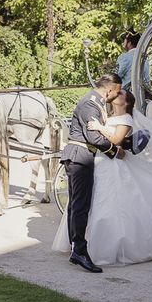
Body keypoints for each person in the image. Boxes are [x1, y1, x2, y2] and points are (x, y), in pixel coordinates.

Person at [53, 90, 152, 266]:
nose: (117, 93)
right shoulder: (106, 115)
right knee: (90, 203)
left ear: (126, 102)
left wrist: (100, 128)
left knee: (110, 204)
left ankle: (105, 249)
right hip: (100, 162)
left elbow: (116, 140)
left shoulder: (126, 119)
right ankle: (79, 244)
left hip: (112, 164)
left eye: (121, 93)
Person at [58, 73, 124, 273]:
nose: (118, 95)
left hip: (80, 155)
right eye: (118, 91)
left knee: (76, 205)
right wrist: (115, 151)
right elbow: (93, 137)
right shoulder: (90, 104)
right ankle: (79, 250)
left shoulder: (97, 103)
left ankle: (75, 248)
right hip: (80, 156)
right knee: (80, 206)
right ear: (110, 89)